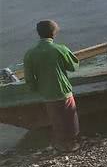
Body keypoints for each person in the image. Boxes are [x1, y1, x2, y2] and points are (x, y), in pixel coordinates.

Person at [23, 20, 80, 151]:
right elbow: (74, 66)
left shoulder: (30, 54)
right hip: (63, 90)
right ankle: (72, 144)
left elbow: (29, 78)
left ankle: (60, 143)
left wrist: (36, 89)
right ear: (54, 33)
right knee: (70, 117)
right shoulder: (60, 49)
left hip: (47, 92)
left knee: (56, 118)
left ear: (39, 34)